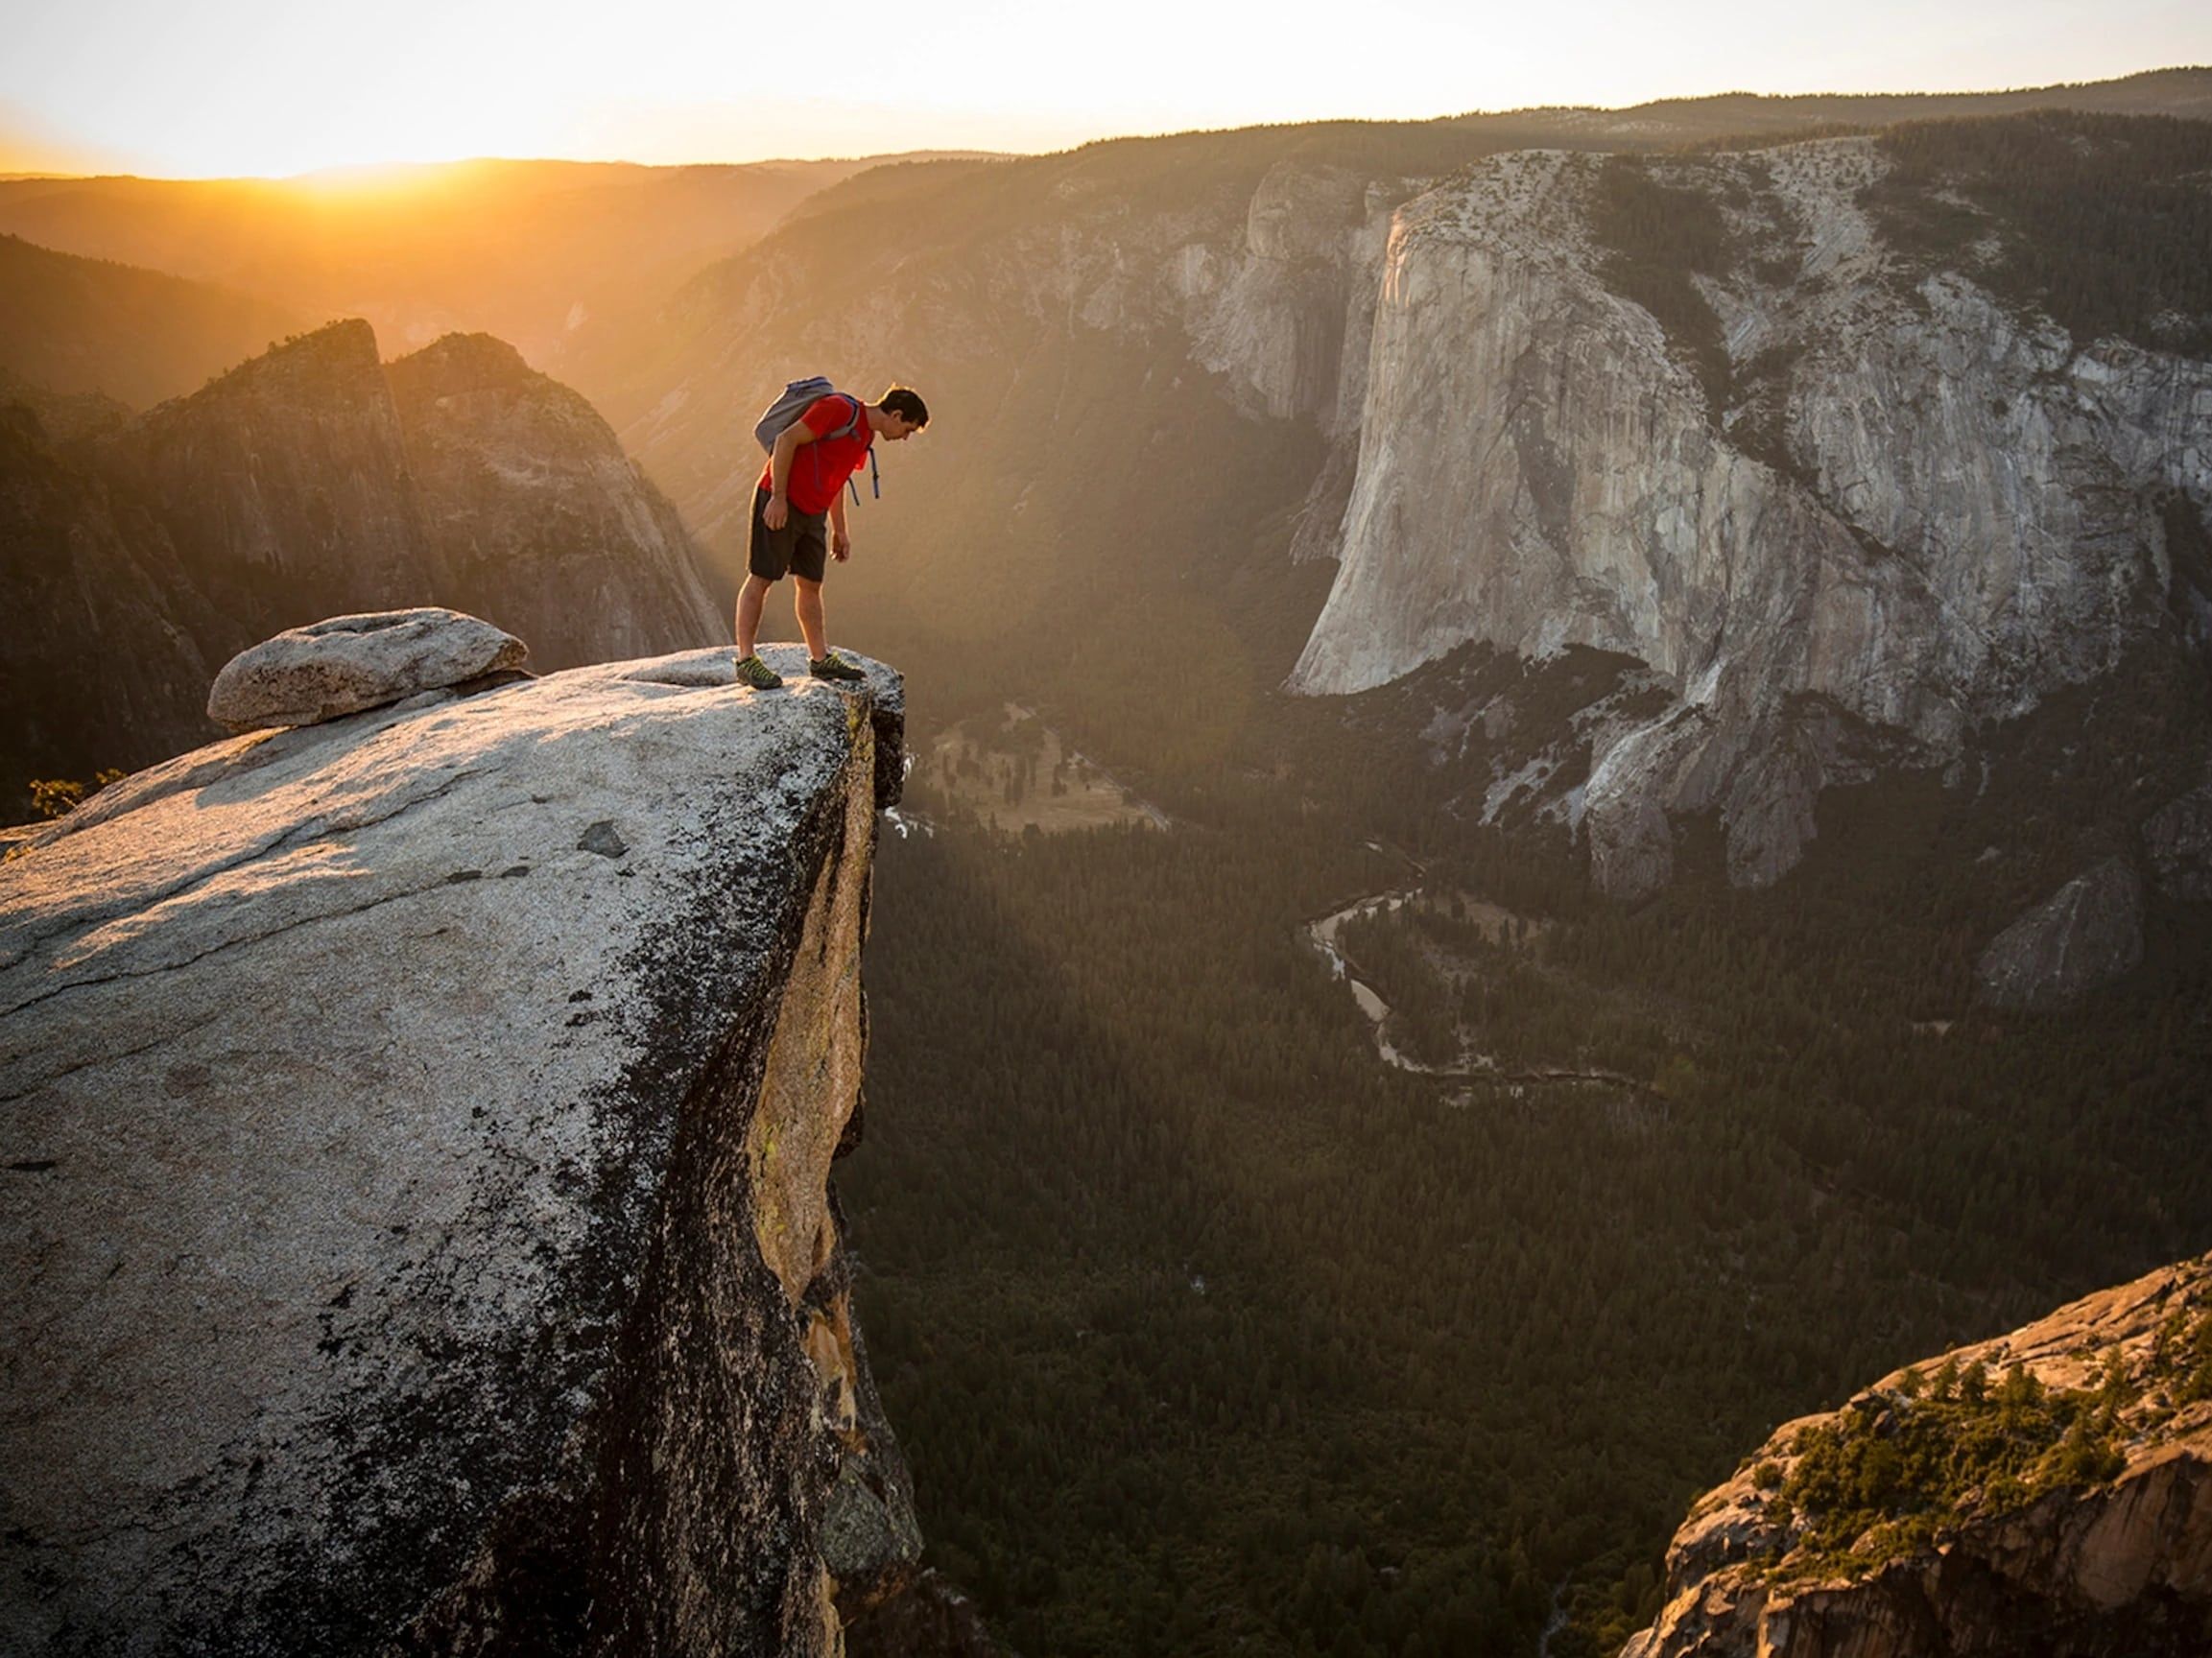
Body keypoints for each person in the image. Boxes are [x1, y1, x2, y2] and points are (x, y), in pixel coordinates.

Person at [733, 385, 929, 689]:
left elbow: (837, 478)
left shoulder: (864, 435)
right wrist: (779, 498)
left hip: (813, 511)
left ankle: (820, 659)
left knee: (811, 583)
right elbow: (785, 441)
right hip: (780, 498)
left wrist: (840, 529)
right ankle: (746, 661)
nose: (904, 438)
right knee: (762, 576)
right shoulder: (838, 410)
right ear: (896, 414)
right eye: (906, 430)